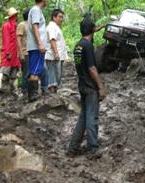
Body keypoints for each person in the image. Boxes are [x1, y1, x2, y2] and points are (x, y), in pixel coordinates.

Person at [67, 18, 107, 158]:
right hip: (90, 87)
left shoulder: (78, 46)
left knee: (83, 117)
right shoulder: (88, 46)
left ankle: (72, 148)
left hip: (82, 85)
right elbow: (92, 68)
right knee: (92, 117)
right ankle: (92, 149)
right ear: (92, 29)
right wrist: (100, 86)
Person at [26, 0, 48, 102]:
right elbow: (35, 26)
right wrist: (40, 43)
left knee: (36, 69)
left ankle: (32, 94)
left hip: (35, 46)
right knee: (35, 71)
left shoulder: (35, 10)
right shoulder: (36, 10)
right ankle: (33, 95)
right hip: (36, 46)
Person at [0, 7, 22, 94]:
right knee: (5, 72)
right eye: (15, 15)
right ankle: (1, 89)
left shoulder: (16, 25)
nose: (17, 16)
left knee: (13, 73)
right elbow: (6, 39)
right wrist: (8, 52)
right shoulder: (6, 26)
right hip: (8, 53)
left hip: (15, 53)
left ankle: (12, 91)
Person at [45, 8, 67, 93]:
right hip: (52, 56)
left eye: (62, 17)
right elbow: (52, 39)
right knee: (52, 76)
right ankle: (52, 94)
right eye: (60, 17)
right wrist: (56, 53)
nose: (61, 19)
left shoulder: (56, 27)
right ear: (54, 17)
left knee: (57, 75)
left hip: (57, 55)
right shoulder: (52, 27)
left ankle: (54, 92)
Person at [17, 8, 30, 96]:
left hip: (30, 52)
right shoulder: (22, 25)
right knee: (26, 72)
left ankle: (29, 89)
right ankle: (24, 90)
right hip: (25, 52)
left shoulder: (30, 25)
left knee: (30, 72)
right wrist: (21, 53)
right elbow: (18, 39)